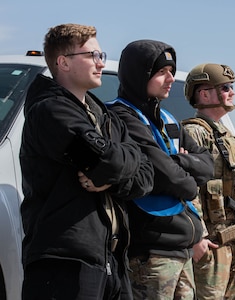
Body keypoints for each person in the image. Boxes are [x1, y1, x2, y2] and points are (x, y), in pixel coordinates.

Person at [19, 23, 154, 300]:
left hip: (111, 261)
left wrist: (109, 182)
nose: (100, 62)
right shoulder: (50, 111)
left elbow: (146, 175)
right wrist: (120, 164)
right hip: (65, 262)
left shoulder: (106, 118)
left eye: (101, 55)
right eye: (91, 55)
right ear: (63, 63)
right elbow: (106, 160)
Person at [106, 40, 214, 299]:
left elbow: (207, 165)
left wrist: (176, 163)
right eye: (161, 72)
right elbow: (164, 173)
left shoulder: (169, 120)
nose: (170, 79)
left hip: (182, 250)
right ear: (139, 75)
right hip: (150, 254)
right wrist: (185, 177)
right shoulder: (122, 117)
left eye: (171, 71)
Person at [182, 63, 235, 300]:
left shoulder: (227, 136)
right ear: (204, 94)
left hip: (234, 239)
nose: (232, 92)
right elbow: (189, 188)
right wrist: (197, 237)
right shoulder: (195, 132)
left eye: (231, 87)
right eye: (225, 87)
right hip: (212, 243)